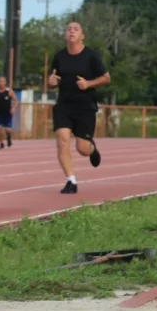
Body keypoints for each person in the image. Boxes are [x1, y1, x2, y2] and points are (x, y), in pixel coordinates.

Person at [47, 21, 110, 194]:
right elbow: (53, 79)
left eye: (76, 29)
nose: (72, 31)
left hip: (85, 106)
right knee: (62, 139)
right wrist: (51, 82)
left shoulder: (91, 56)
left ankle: (92, 149)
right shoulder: (59, 56)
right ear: (65, 36)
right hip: (64, 105)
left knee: (82, 149)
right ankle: (71, 181)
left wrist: (89, 83)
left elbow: (106, 78)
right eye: (69, 29)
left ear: (82, 36)